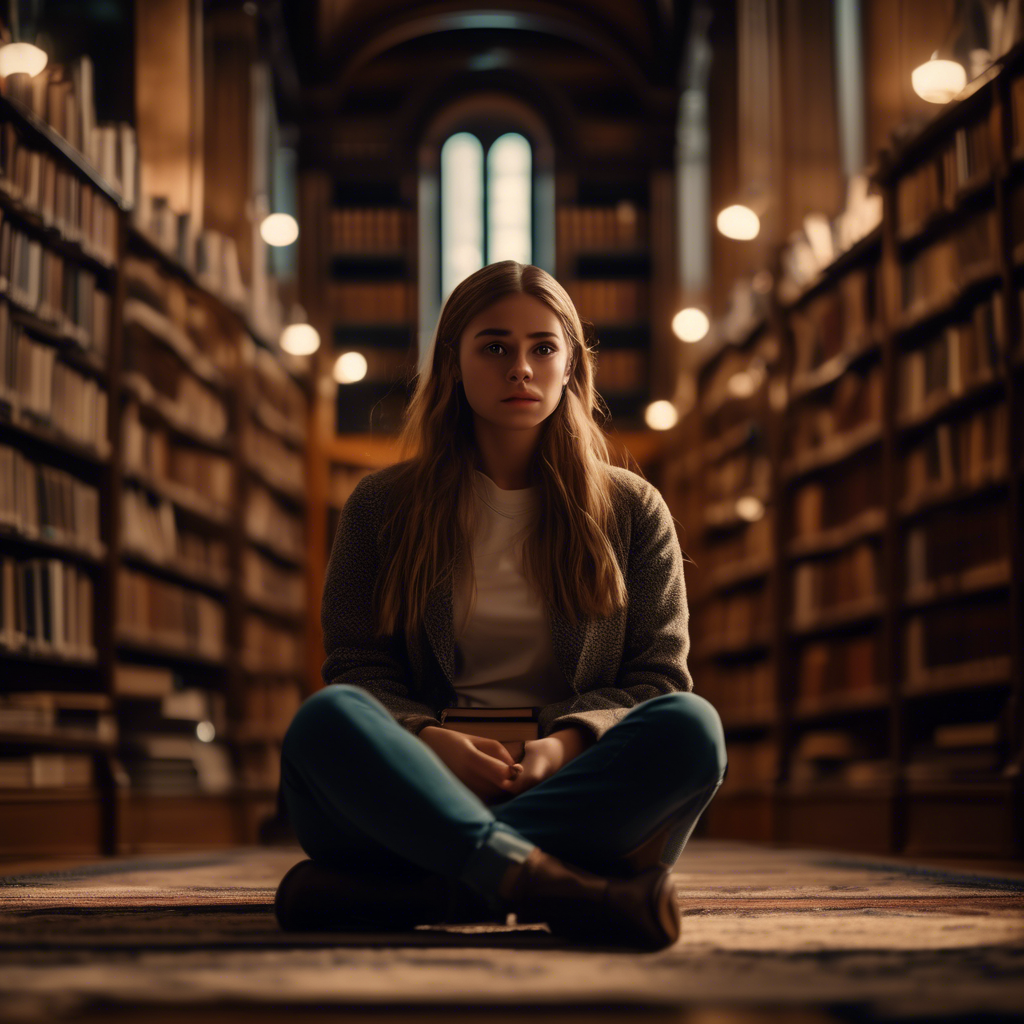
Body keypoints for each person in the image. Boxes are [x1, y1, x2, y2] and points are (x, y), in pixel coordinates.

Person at [275, 260, 727, 950]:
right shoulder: (381, 506)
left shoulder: (633, 509)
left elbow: (658, 680)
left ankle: (436, 884)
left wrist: (564, 746)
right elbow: (357, 669)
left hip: (568, 787)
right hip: (415, 785)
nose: (522, 368)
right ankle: (549, 883)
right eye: (495, 347)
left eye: (543, 348)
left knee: (692, 727)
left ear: (572, 364)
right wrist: (427, 742)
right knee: (325, 720)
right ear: (454, 363)